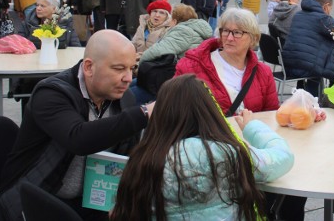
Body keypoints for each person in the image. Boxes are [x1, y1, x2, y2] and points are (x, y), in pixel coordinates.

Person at [0, 30, 155, 221]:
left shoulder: (122, 97)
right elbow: (78, 139)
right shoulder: (51, 93)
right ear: (88, 67)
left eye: (132, 68)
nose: (128, 78)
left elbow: (127, 156)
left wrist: (122, 199)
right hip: (36, 199)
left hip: (93, 202)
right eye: (119, 69)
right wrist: (144, 113)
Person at [110, 74, 294, 221]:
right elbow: (282, 157)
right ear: (208, 110)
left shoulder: (142, 159)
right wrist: (252, 127)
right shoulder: (226, 153)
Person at [174, 8, 279, 115]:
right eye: (225, 31)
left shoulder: (263, 72)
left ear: (253, 38)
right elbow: (174, 109)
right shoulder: (191, 66)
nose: (229, 38)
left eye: (237, 32)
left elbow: (270, 115)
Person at [282, 0, 334, 97]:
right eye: (330, 8)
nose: (330, 11)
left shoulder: (298, 15)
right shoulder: (323, 19)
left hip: (290, 64)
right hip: (307, 67)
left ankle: (307, 99)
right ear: (326, 6)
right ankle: (329, 99)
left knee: (318, 58)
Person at [139, 4, 212, 63]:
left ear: (174, 21)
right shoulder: (195, 29)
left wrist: (140, 61)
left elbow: (158, 50)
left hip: (182, 73)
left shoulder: (183, 31)